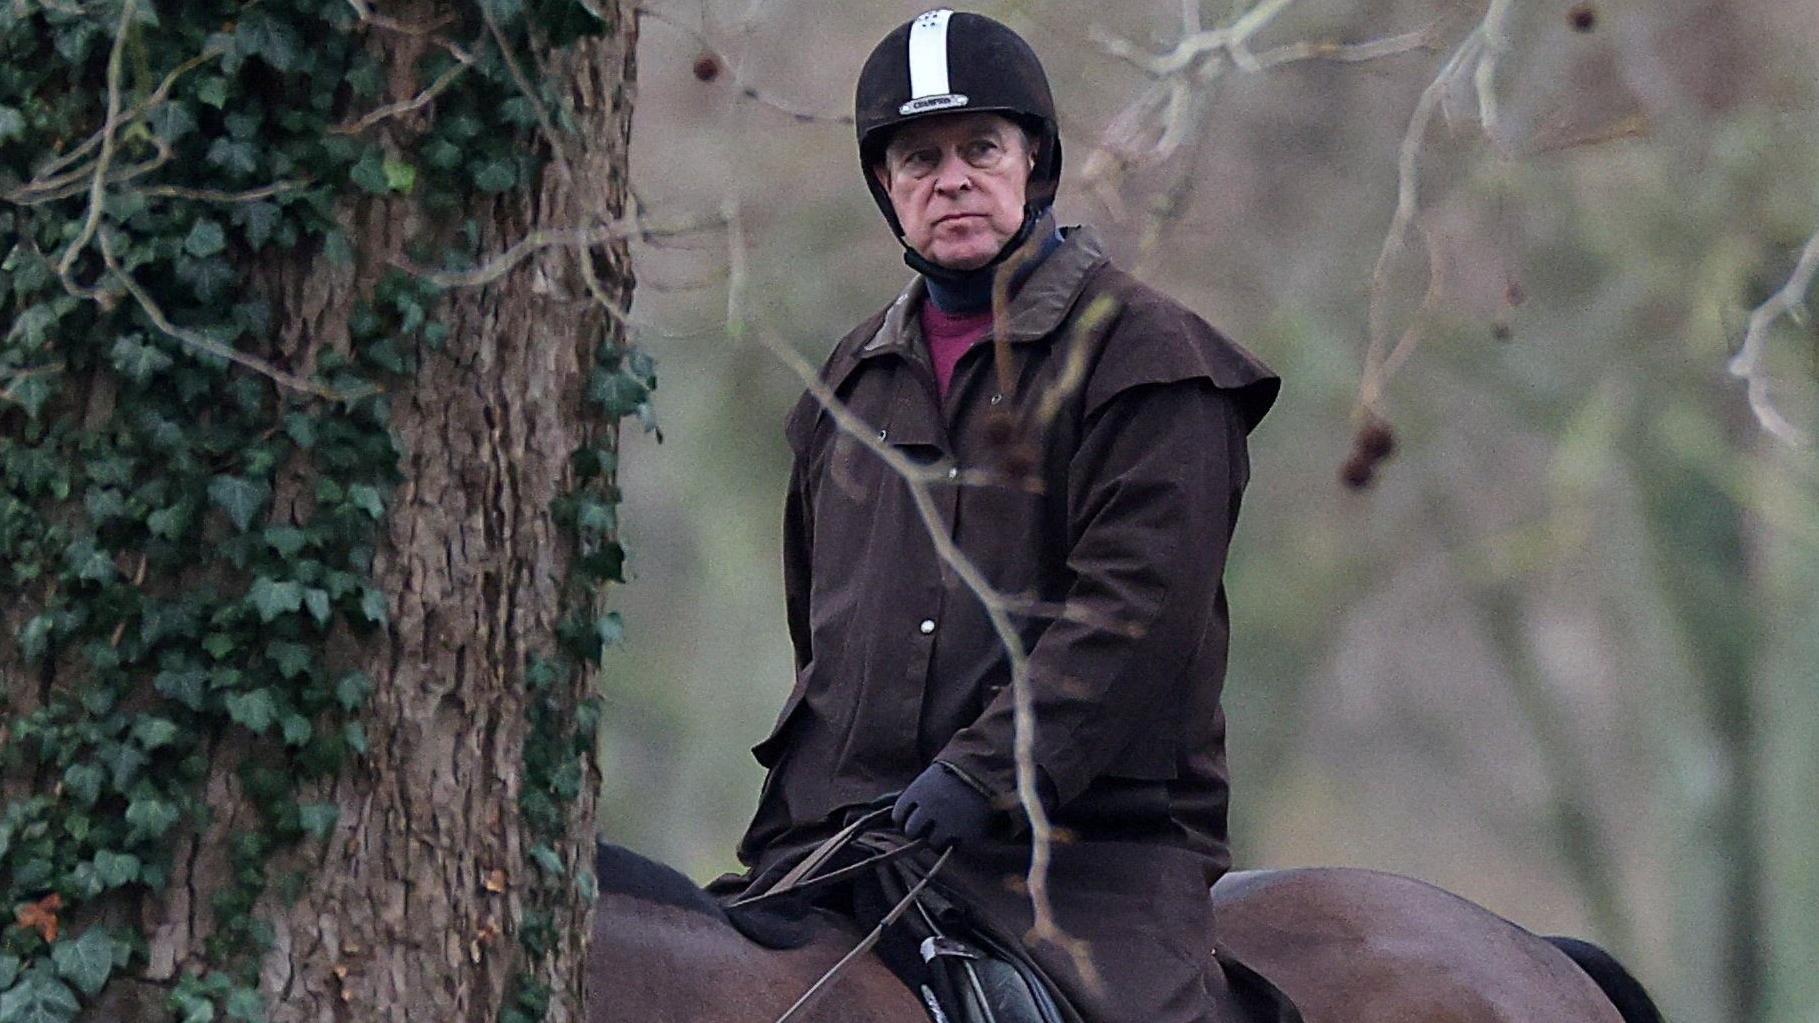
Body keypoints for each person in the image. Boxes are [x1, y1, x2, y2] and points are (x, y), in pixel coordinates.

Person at [711, 10, 1280, 1023]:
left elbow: (1135, 616)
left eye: (980, 149)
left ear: (1034, 163)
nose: (952, 181)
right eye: (918, 159)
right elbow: (821, 634)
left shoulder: (1151, 361)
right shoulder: (845, 387)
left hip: (1081, 857)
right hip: (849, 843)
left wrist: (983, 776)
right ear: (886, 187)